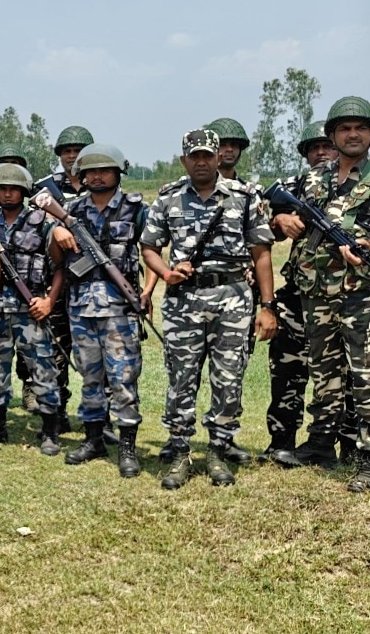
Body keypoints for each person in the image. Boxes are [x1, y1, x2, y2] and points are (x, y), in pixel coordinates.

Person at [140, 129, 278, 489]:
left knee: (229, 378)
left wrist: (267, 306)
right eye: (193, 156)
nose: (200, 161)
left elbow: (261, 254)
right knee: (181, 378)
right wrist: (166, 273)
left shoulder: (245, 197)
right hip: (185, 301)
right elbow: (150, 247)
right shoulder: (168, 198)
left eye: (207, 155)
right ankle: (181, 451)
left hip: (233, 298)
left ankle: (218, 450)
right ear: (184, 160)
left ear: (219, 158)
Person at [279, 96, 370, 491]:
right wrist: (281, 217)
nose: (353, 134)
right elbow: (281, 213)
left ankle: (366, 456)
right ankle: (320, 443)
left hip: (361, 293)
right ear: (332, 136)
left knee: (365, 376)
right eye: (345, 128)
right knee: (324, 371)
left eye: (361, 127)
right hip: (315, 292)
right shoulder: (315, 177)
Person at [48, 143, 147, 478]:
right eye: (90, 171)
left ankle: (127, 446)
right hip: (81, 309)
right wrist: (56, 230)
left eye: (104, 170)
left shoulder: (136, 209)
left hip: (120, 309)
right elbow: (56, 258)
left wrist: (146, 293)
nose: (97, 176)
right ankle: (93, 440)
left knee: (123, 378)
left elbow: (153, 250)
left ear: (118, 172)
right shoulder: (70, 209)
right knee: (89, 377)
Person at [263, 121, 339, 466]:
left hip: (345, 296)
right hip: (298, 294)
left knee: (345, 373)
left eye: (327, 146)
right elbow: (260, 225)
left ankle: (344, 444)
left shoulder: (357, 186)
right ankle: (282, 440)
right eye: (314, 148)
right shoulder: (295, 187)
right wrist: (279, 219)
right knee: (287, 368)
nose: (321, 153)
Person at [0, 163, 64, 456]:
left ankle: (50, 431)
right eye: (1, 189)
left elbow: (59, 267)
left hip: (32, 310)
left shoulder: (42, 222)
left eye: (13, 189)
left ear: (24, 191)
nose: (7, 194)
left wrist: (50, 301)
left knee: (43, 369)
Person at [35, 125, 95, 434]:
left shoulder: (100, 181)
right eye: (66, 151)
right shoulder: (44, 189)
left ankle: (100, 419)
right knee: (54, 353)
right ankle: (55, 415)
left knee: (96, 355)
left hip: (93, 286)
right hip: (56, 281)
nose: (72, 155)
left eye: (77, 150)